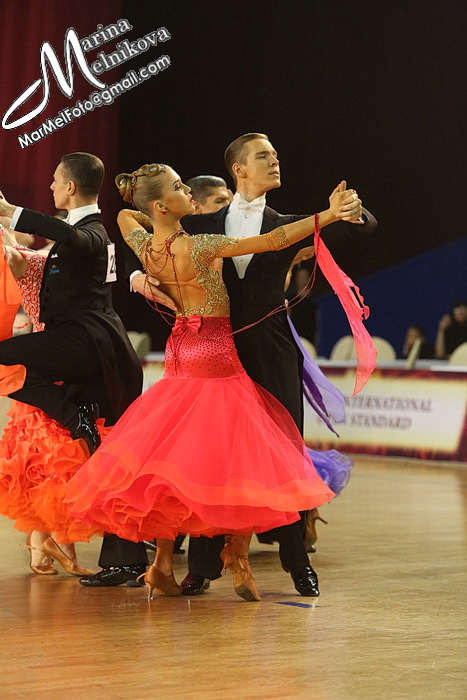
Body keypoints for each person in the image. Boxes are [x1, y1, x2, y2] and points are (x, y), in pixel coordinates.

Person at [65, 162, 364, 602]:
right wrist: (328, 215)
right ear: (162, 204)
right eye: (178, 187)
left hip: (179, 350)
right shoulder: (201, 245)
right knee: (235, 457)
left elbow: (126, 215)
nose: (188, 191)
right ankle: (235, 553)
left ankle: (162, 565)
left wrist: (152, 229)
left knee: (179, 461)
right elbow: (274, 240)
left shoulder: (145, 244)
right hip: (215, 353)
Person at [0, 152, 147, 585]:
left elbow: (73, 239)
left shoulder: (94, 233)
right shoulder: (82, 237)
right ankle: (125, 562)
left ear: (69, 187)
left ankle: (71, 410)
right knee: (110, 455)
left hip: (90, 345)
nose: (49, 187)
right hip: (93, 347)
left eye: (54, 181)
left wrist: (11, 212)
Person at [0, 224, 101, 575]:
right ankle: (61, 547)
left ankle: (39, 550)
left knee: (38, 460)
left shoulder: (32, 261)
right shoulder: (44, 262)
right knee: (59, 458)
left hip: (36, 362)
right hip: (55, 360)